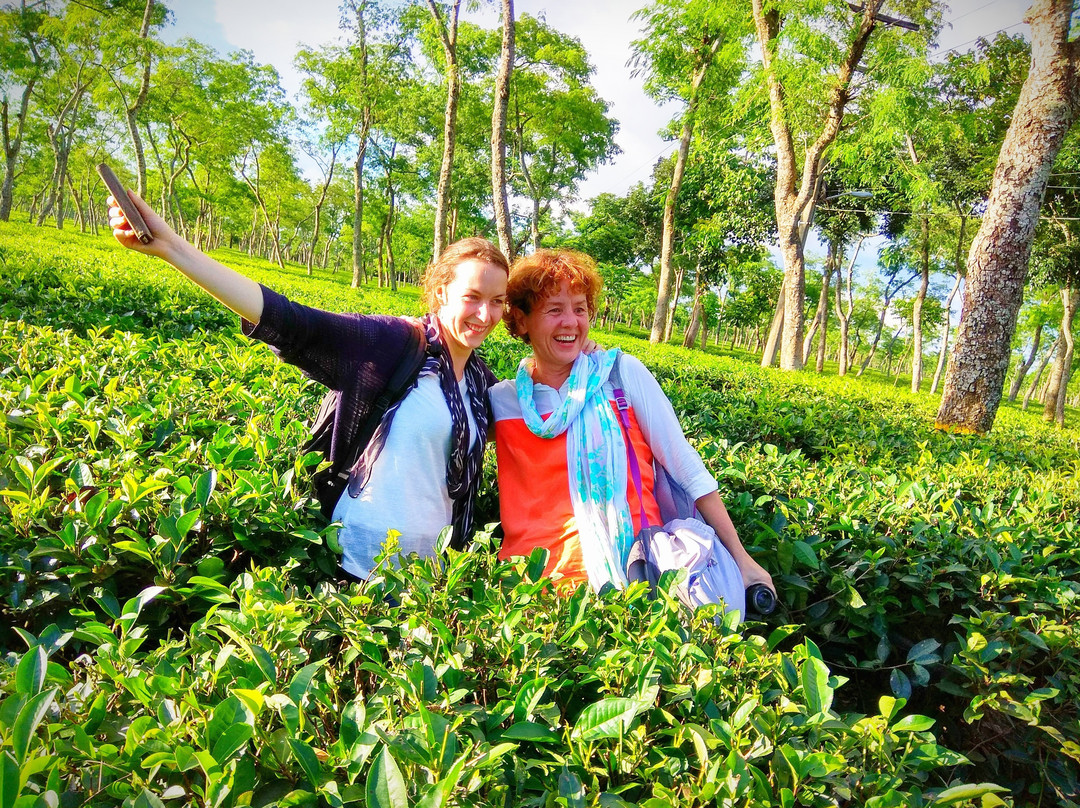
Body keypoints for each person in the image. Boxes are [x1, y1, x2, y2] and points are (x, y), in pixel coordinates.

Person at [108, 191, 509, 580]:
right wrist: (171, 247)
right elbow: (288, 319)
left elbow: (529, 428)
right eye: (472, 297)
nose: (485, 314)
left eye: (497, 301)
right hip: (358, 566)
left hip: (431, 574)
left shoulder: (477, 382)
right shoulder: (393, 342)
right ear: (441, 292)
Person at [491, 248, 774, 598]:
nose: (571, 322)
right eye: (554, 310)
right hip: (528, 590)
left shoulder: (620, 375)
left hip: (634, 582)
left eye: (580, 309)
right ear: (520, 320)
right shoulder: (503, 401)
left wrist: (741, 557)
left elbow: (685, 465)